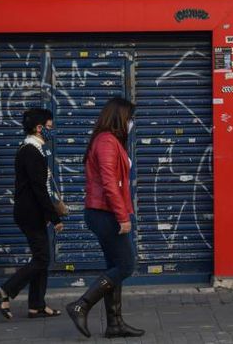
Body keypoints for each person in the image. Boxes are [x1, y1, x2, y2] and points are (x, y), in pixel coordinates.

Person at [66, 97, 144, 338]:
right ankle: (81, 305)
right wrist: (123, 217)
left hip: (106, 212)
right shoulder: (107, 142)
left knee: (115, 267)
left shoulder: (109, 141)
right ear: (120, 118)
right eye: (130, 118)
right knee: (126, 265)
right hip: (107, 214)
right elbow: (110, 183)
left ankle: (115, 324)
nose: (131, 123)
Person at [0, 108, 64, 319]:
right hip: (30, 213)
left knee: (41, 258)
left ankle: (36, 306)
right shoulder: (30, 151)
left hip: (32, 212)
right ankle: (4, 291)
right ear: (38, 128)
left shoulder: (33, 149)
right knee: (41, 259)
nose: (52, 131)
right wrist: (54, 217)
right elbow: (38, 189)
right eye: (49, 127)